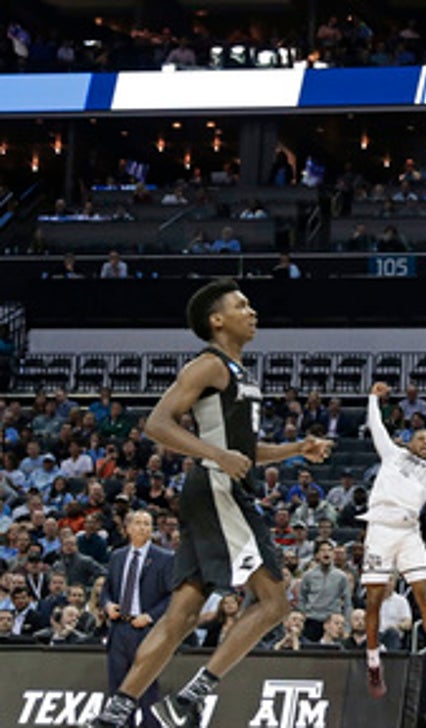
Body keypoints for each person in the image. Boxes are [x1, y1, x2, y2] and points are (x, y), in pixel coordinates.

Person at [82, 278, 333, 728]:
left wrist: (297, 448)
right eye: (242, 305)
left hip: (213, 487)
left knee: (183, 612)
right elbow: (157, 423)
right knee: (275, 603)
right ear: (217, 320)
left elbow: (244, 451)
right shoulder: (208, 365)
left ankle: (115, 714)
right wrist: (215, 455)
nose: (252, 312)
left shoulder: (238, 372)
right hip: (218, 490)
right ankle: (191, 698)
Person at [360, 380, 426, 696]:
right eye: (421, 438)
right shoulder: (393, 454)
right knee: (374, 600)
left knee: (424, 596)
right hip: (380, 530)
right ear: (410, 441)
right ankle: (374, 664)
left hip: (409, 533)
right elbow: (375, 426)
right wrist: (373, 399)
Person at [103, 511, 173, 728]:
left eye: (148, 524)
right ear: (128, 528)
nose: (144, 527)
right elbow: (106, 589)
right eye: (139, 523)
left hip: (146, 630)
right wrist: (107, 605)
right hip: (119, 629)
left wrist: (150, 616)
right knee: (118, 688)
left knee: (147, 688)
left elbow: (173, 596)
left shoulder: (165, 558)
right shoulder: (117, 556)